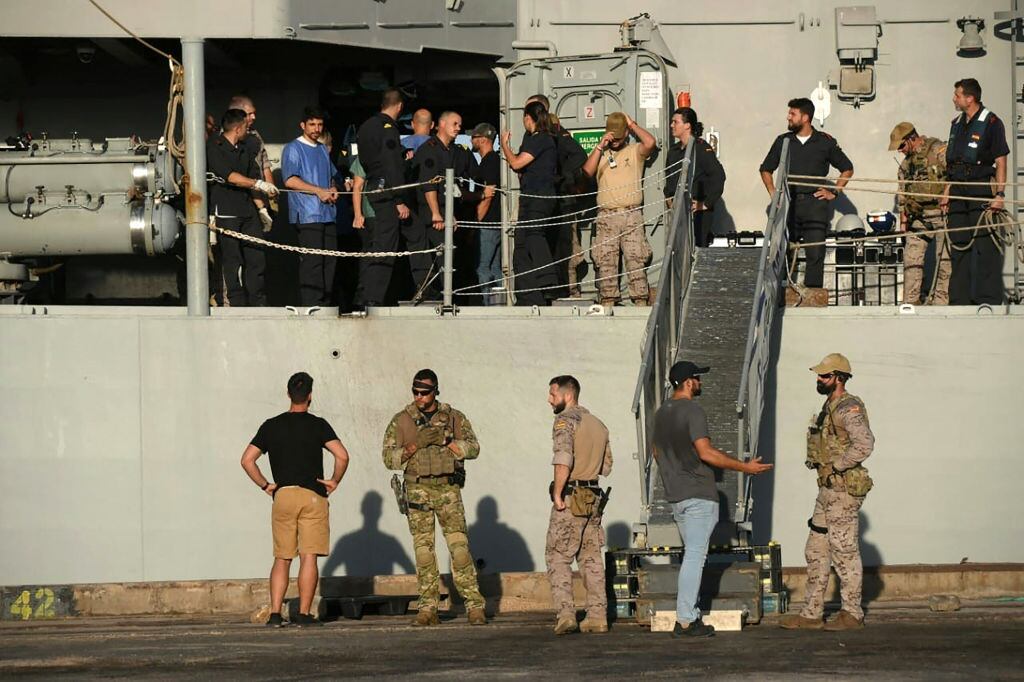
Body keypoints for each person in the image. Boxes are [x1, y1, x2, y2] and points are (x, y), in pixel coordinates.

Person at [652, 361, 773, 638]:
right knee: (695, 556)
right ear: (688, 382)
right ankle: (686, 620)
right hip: (698, 495)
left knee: (691, 554)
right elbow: (706, 452)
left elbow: (657, 453)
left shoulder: (661, 413)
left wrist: (675, 474)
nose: (700, 382)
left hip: (676, 496)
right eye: (697, 378)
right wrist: (745, 467)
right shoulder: (693, 410)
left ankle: (689, 615)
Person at [240, 372, 351, 627]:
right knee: (308, 556)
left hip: (283, 495)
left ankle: (275, 614)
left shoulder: (271, 425)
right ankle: (303, 613)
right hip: (313, 495)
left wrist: (266, 485)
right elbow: (342, 456)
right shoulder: (318, 425)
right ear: (310, 396)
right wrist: (334, 480)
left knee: (282, 557)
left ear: (288, 394)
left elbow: (247, 460)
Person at [381, 369, 487, 626]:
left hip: (448, 490)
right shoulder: (402, 421)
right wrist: (415, 444)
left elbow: (473, 448)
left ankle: (474, 606)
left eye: (424, 392)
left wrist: (447, 439)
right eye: (415, 392)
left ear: (435, 391)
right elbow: (388, 459)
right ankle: (428, 608)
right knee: (423, 552)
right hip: (418, 489)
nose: (419, 396)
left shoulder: (453, 418)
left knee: (459, 550)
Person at [780, 353, 875, 632]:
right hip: (827, 490)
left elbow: (864, 444)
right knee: (815, 550)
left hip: (842, 490)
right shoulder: (829, 406)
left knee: (844, 552)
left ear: (839, 378)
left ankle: (852, 613)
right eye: (819, 375)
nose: (819, 379)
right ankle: (812, 613)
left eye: (825, 375)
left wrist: (837, 466)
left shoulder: (848, 407)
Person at [760, 98, 854, 289]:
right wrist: (773, 193)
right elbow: (766, 169)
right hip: (789, 204)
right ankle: (781, 293)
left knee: (815, 252)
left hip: (814, 205)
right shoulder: (783, 141)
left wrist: (834, 192)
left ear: (805, 117)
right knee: (782, 252)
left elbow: (847, 168)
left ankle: (812, 294)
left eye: (792, 114)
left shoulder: (825, 142)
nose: (788, 117)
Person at [545, 375, 613, 635]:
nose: (549, 399)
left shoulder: (565, 421)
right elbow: (606, 466)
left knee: (557, 556)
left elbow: (563, 458)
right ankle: (598, 616)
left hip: (572, 497)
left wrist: (558, 493)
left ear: (568, 395)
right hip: (593, 498)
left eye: (553, 394)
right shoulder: (598, 424)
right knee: (591, 558)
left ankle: (566, 615)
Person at [943, 78, 1009, 305]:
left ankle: (988, 299)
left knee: (985, 247)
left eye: (957, 95)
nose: (954, 99)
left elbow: (1001, 161)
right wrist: (947, 191)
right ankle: (959, 300)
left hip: (980, 189)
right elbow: (952, 164)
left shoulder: (992, 123)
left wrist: (999, 194)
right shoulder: (956, 123)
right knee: (958, 245)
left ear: (969, 98)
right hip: (958, 191)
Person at [581, 112, 657, 307]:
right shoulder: (601, 154)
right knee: (605, 261)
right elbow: (587, 171)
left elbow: (650, 142)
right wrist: (600, 146)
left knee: (636, 259)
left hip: (631, 214)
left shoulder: (634, 151)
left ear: (625, 134)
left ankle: (640, 300)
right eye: (612, 136)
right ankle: (608, 301)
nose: (615, 141)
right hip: (607, 216)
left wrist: (632, 125)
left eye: (618, 137)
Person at [206, 108, 278, 306]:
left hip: (248, 210)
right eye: (246, 126)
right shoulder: (214, 146)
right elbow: (230, 176)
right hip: (227, 211)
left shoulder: (245, 149)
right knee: (233, 260)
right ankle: (236, 304)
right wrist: (258, 184)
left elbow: (252, 179)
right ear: (238, 128)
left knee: (257, 258)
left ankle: (258, 303)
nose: (249, 130)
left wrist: (262, 209)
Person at [525, 94, 588, 298]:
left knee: (563, 247)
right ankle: (545, 290)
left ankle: (565, 290)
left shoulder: (555, 132)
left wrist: (562, 174)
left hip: (561, 198)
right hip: (542, 197)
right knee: (542, 243)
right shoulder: (531, 135)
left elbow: (579, 155)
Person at [408, 111, 474, 302]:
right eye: (455, 124)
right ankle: (436, 296)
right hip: (431, 212)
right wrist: (436, 213)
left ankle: (449, 296)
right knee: (439, 256)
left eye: (460, 125)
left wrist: (450, 213)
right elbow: (429, 185)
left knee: (450, 255)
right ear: (442, 124)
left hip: (447, 209)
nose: (458, 128)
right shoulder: (429, 150)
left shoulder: (451, 151)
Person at [355, 89, 412, 307]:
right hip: (386, 189)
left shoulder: (366, 126)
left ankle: (366, 294)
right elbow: (391, 164)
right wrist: (399, 198)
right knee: (385, 246)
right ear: (400, 106)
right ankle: (373, 298)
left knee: (376, 244)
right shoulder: (388, 128)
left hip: (372, 186)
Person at [500, 101, 560, 306]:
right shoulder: (533, 140)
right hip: (529, 195)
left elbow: (516, 163)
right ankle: (527, 293)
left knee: (535, 234)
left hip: (539, 195)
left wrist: (505, 146)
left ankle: (548, 280)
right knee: (521, 245)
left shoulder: (541, 139)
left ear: (528, 118)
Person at [281, 106, 339, 306]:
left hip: (328, 212)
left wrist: (332, 188)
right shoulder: (293, 148)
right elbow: (290, 180)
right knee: (313, 262)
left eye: (320, 124)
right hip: (307, 213)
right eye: (312, 124)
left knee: (330, 260)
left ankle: (326, 303)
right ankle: (312, 304)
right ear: (303, 125)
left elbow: (331, 175)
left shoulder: (322, 148)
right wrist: (318, 191)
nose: (316, 128)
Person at [888, 122, 951, 305]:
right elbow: (902, 195)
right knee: (911, 260)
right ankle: (910, 302)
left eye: (901, 145)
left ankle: (941, 302)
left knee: (944, 261)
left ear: (911, 138)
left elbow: (954, 174)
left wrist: (947, 195)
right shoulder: (905, 165)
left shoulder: (938, 150)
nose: (900, 150)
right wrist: (903, 223)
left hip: (942, 214)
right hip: (919, 217)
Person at [665, 107, 726, 247]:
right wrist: (669, 199)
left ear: (687, 125)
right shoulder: (673, 151)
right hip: (678, 212)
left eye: (675, 122)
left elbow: (718, 176)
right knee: (677, 248)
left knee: (696, 248)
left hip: (697, 214)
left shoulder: (701, 148)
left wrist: (705, 204)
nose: (671, 125)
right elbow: (669, 178)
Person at [470, 123, 502, 305]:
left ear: (482, 139)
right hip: (496, 222)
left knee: (482, 267)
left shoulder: (489, 162)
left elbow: (488, 195)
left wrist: (476, 222)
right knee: (495, 267)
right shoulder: (494, 160)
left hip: (487, 223)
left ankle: (488, 304)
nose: (471, 140)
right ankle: (499, 303)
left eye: (473, 137)